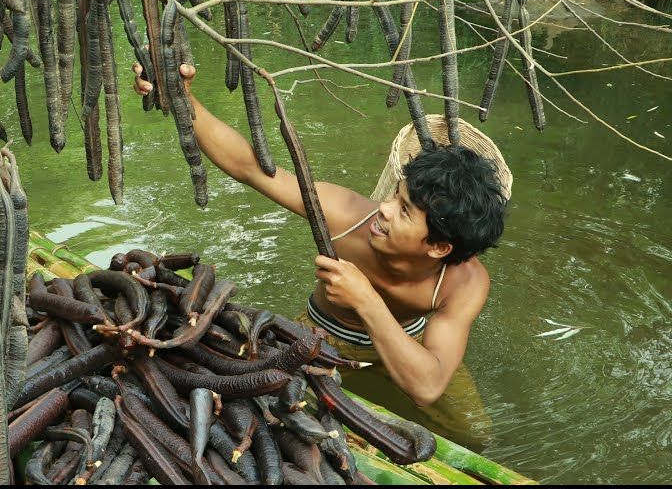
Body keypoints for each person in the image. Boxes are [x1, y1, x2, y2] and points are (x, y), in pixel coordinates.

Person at [132, 62, 507, 423]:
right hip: (321, 337)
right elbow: (252, 169)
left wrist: (365, 299)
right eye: (395, 194)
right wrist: (183, 99)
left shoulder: (464, 283)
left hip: (406, 344)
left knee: (472, 432)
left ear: (439, 247)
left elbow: (428, 384)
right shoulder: (346, 215)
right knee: (283, 412)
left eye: (404, 211)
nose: (385, 210)